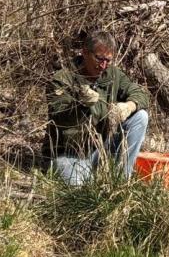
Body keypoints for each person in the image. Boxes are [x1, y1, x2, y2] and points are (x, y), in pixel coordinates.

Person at [45, 30, 149, 187]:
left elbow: (140, 93)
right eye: (99, 59)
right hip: (70, 154)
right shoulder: (62, 79)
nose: (103, 65)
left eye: (108, 60)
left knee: (140, 116)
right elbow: (60, 117)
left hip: (100, 149)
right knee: (82, 189)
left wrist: (128, 106)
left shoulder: (113, 75)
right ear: (85, 52)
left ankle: (121, 181)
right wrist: (80, 104)